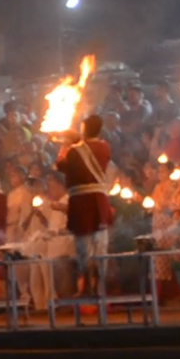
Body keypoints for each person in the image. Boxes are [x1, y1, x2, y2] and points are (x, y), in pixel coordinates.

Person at [57, 114, 117, 296]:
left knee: (84, 246)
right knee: (100, 244)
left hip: (82, 202)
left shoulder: (75, 151)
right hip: (99, 200)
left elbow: (62, 165)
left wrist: (65, 145)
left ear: (84, 128)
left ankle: (88, 287)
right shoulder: (105, 147)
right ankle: (98, 286)